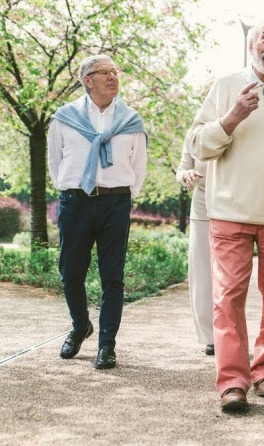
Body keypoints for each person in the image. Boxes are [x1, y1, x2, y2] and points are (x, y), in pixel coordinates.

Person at [186, 18, 264, 412]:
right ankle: (232, 381)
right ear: (251, 45)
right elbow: (196, 146)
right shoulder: (226, 87)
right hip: (229, 212)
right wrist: (231, 118)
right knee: (228, 300)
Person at [47, 54, 148, 370]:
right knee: (71, 273)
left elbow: (139, 166)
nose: (113, 77)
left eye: (115, 71)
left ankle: (107, 345)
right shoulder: (64, 118)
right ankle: (80, 326)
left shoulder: (131, 120)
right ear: (87, 80)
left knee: (112, 278)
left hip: (115, 204)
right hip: (76, 202)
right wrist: (73, 190)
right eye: (104, 72)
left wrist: (122, 195)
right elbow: (55, 162)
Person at [176, 81, 215, 356]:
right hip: (201, 207)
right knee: (202, 275)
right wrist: (186, 176)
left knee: (228, 278)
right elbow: (182, 169)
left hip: (232, 208)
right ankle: (211, 337)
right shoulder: (194, 133)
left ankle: (231, 332)